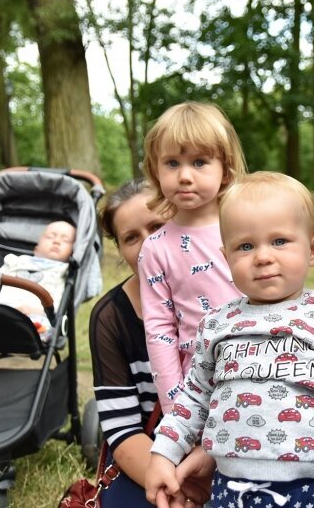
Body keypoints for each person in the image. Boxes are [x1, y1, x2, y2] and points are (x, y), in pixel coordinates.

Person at [144, 171, 314, 508]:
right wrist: (164, 453)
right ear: (226, 258)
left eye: (280, 241)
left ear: (312, 249)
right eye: (245, 246)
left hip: (312, 486)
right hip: (230, 485)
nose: (263, 256)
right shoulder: (217, 323)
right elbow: (194, 396)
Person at [89, 179, 214, 508]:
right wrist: (175, 488)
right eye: (131, 238)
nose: (148, 245)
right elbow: (122, 429)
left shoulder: (227, 288)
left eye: (158, 226)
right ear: (120, 249)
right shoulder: (110, 316)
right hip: (154, 457)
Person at [138, 101, 248, 417]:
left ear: (225, 171)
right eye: (172, 163)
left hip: (261, 364)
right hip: (200, 384)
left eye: (199, 162)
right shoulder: (156, 248)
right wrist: (176, 409)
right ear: (155, 171)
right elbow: (159, 331)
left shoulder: (247, 229)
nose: (185, 176)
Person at [0, 219, 75, 342]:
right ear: (36, 247)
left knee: (42, 324)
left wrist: (34, 311)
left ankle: (35, 331)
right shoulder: (16, 261)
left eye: (65, 240)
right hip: (4, 309)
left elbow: (61, 301)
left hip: (39, 313)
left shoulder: (65, 271)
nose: (57, 241)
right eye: (50, 237)